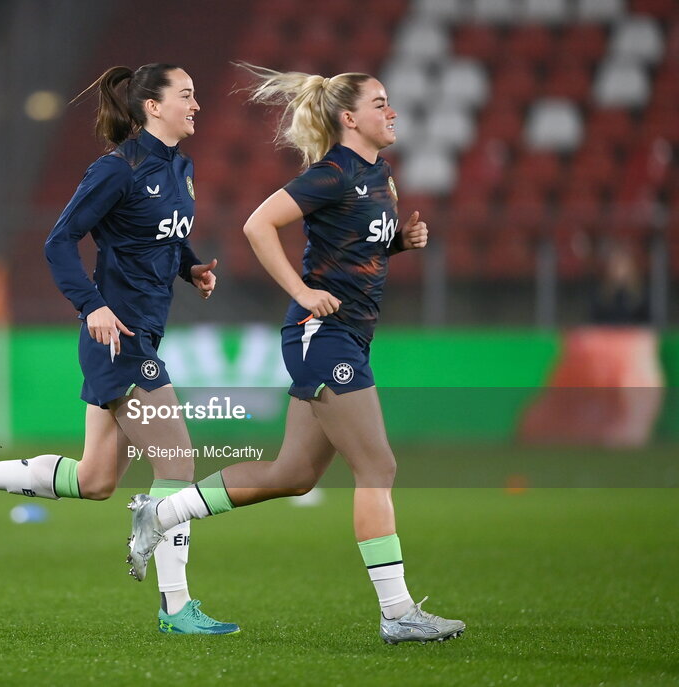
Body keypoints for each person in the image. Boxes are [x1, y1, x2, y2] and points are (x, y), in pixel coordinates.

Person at [126, 63, 466, 644]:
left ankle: (163, 513)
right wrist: (303, 293)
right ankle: (397, 611)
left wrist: (398, 243)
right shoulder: (332, 172)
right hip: (322, 335)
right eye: (381, 103)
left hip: (349, 334)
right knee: (378, 467)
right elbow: (260, 225)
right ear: (349, 117)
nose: (393, 113)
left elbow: (355, 245)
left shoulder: (377, 174)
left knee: (293, 475)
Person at [0, 63, 238, 635]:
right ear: (152, 107)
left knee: (95, 480)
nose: (197, 105)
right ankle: (175, 606)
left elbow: (164, 233)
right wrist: (93, 307)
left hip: (142, 332)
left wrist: (191, 269)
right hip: (119, 338)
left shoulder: (179, 167)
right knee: (178, 461)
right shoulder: (117, 168)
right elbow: (59, 240)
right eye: (186, 95)